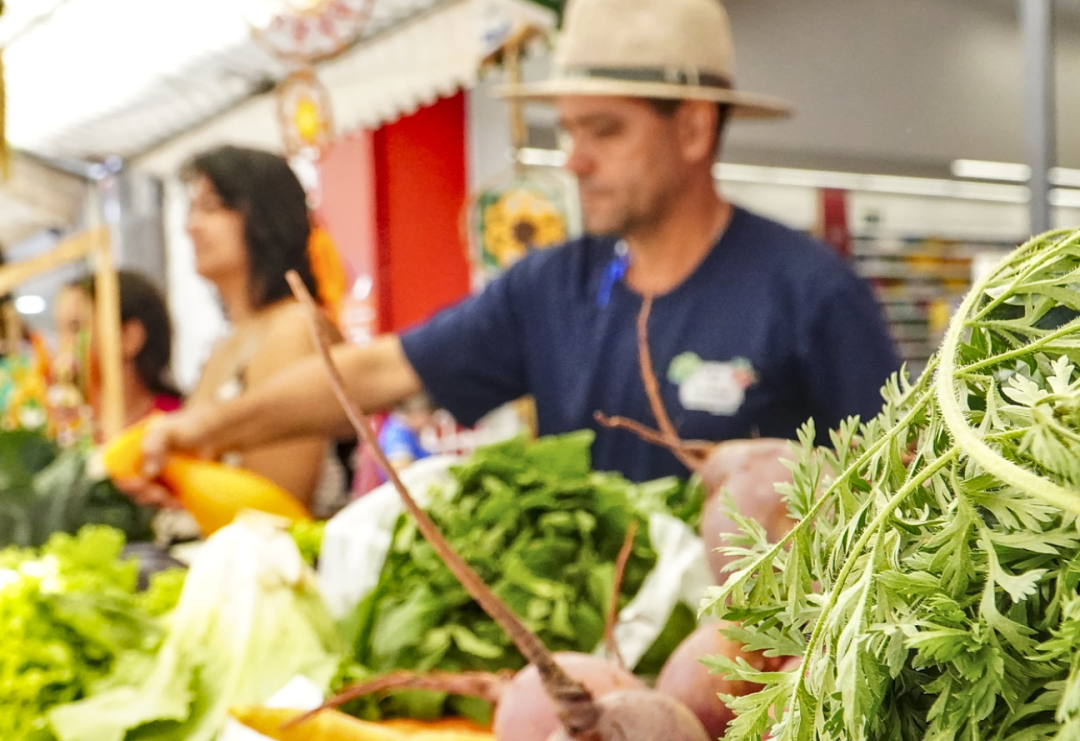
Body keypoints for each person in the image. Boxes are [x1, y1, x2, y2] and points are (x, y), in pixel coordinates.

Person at [140, 0, 900, 486]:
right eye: (568, 129)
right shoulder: (552, 287)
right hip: (584, 672)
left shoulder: (809, 294)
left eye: (604, 130)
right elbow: (379, 371)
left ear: (695, 127)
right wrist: (203, 428)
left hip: (758, 689)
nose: (574, 159)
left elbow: (892, 490)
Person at [168, 145, 348, 510]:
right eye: (191, 209)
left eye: (212, 207)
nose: (191, 227)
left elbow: (274, 505)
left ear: (266, 216)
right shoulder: (226, 344)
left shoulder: (294, 328)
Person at [53, 270, 183, 430]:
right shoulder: (71, 429)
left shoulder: (176, 426)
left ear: (129, 337)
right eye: (59, 330)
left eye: (76, 327)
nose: (63, 344)